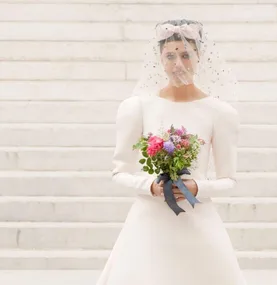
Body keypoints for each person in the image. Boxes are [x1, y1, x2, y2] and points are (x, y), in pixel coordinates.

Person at [96, 19, 247, 285]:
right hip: (148, 222)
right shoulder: (138, 107)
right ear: (160, 60)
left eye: (186, 54)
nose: (178, 63)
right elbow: (119, 172)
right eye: (170, 55)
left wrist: (197, 186)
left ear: (199, 56)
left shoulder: (220, 113)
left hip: (196, 220)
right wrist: (150, 186)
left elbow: (229, 180)